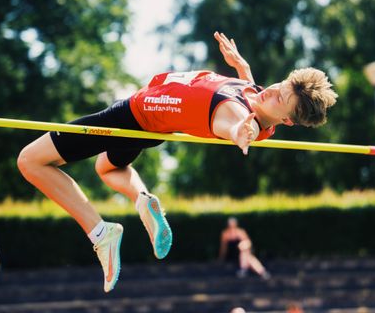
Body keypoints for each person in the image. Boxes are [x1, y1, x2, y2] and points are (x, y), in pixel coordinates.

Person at [17, 31, 338, 292]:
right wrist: (242, 66)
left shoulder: (241, 116)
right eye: (280, 85)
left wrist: (241, 132)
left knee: (30, 161)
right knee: (107, 168)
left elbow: (237, 123)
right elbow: (254, 91)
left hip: (132, 116)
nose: (271, 92)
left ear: (288, 121)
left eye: (280, 98)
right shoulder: (257, 94)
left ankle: (101, 234)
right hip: (148, 122)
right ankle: (143, 201)